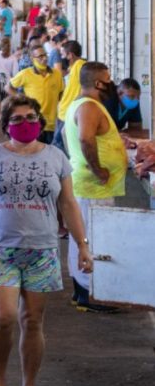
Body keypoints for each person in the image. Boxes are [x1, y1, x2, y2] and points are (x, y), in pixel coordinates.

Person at [0, 94, 94, 386]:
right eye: (16, 119)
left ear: (40, 122)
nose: (24, 123)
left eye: (30, 118)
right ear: (5, 125)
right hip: (1, 248)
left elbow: (68, 203)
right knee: (4, 317)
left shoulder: (56, 158)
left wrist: (83, 246)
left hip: (42, 249)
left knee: (32, 321)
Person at [63, 62, 126, 313]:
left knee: (82, 237)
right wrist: (98, 169)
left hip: (88, 185)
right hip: (93, 187)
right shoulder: (88, 106)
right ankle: (91, 293)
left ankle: (82, 292)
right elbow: (85, 139)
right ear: (98, 83)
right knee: (92, 239)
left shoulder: (79, 105)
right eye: (108, 79)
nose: (111, 83)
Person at [7, 44, 63, 144]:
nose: (45, 58)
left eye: (45, 55)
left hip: (52, 123)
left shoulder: (56, 74)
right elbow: (8, 87)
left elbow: (61, 95)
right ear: (32, 59)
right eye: (40, 56)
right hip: (34, 122)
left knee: (50, 153)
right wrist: (21, 99)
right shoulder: (25, 74)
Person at [52, 40, 85, 152]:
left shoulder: (80, 66)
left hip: (68, 113)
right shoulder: (74, 68)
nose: (61, 57)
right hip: (64, 112)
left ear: (70, 55)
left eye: (62, 54)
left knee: (59, 148)